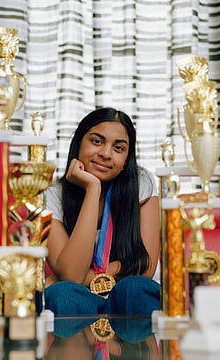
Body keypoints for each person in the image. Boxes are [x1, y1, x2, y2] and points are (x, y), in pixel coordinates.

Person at [44, 107, 160, 315]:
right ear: (78, 143)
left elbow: (145, 268)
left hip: (130, 297)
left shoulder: (142, 183)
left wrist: (78, 277)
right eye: (97, 141)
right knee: (63, 294)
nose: (106, 154)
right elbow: (71, 276)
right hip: (81, 296)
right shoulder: (53, 195)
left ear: (126, 160)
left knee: (134, 288)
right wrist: (92, 189)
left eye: (119, 148)